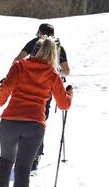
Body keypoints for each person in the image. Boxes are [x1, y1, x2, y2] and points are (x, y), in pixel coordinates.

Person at [0, 36, 73, 187]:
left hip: (10, 121)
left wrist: (0, 103)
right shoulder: (52, 74)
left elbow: (6, 89)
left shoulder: (19, 66)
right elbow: (63, 104)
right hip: (34, 125)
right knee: (23, 168)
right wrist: (70, 93)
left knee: (5, 160)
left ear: (34, 51)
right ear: (54, 54)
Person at [13, 23, 70, 170]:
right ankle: (36, 154)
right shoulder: (58, 47)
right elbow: (66, 71)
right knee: (41, 116)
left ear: (40, 32)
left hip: (27, 83)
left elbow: (17, 60)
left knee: (23, 113)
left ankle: (20, 149)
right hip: (48, 86)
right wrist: (55, 75)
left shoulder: (34, 42)